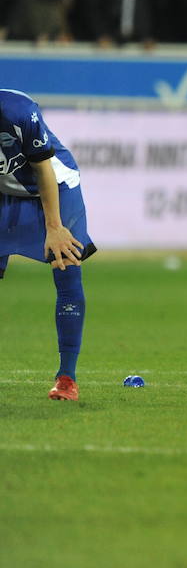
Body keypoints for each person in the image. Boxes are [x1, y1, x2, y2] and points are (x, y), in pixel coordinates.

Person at [0, 89, 96, 401]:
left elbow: (43, 168)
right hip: (4, 189)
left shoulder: (19, 110)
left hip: (54, 185)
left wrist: (54, 227)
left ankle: (67, 377)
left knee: (65, 263)